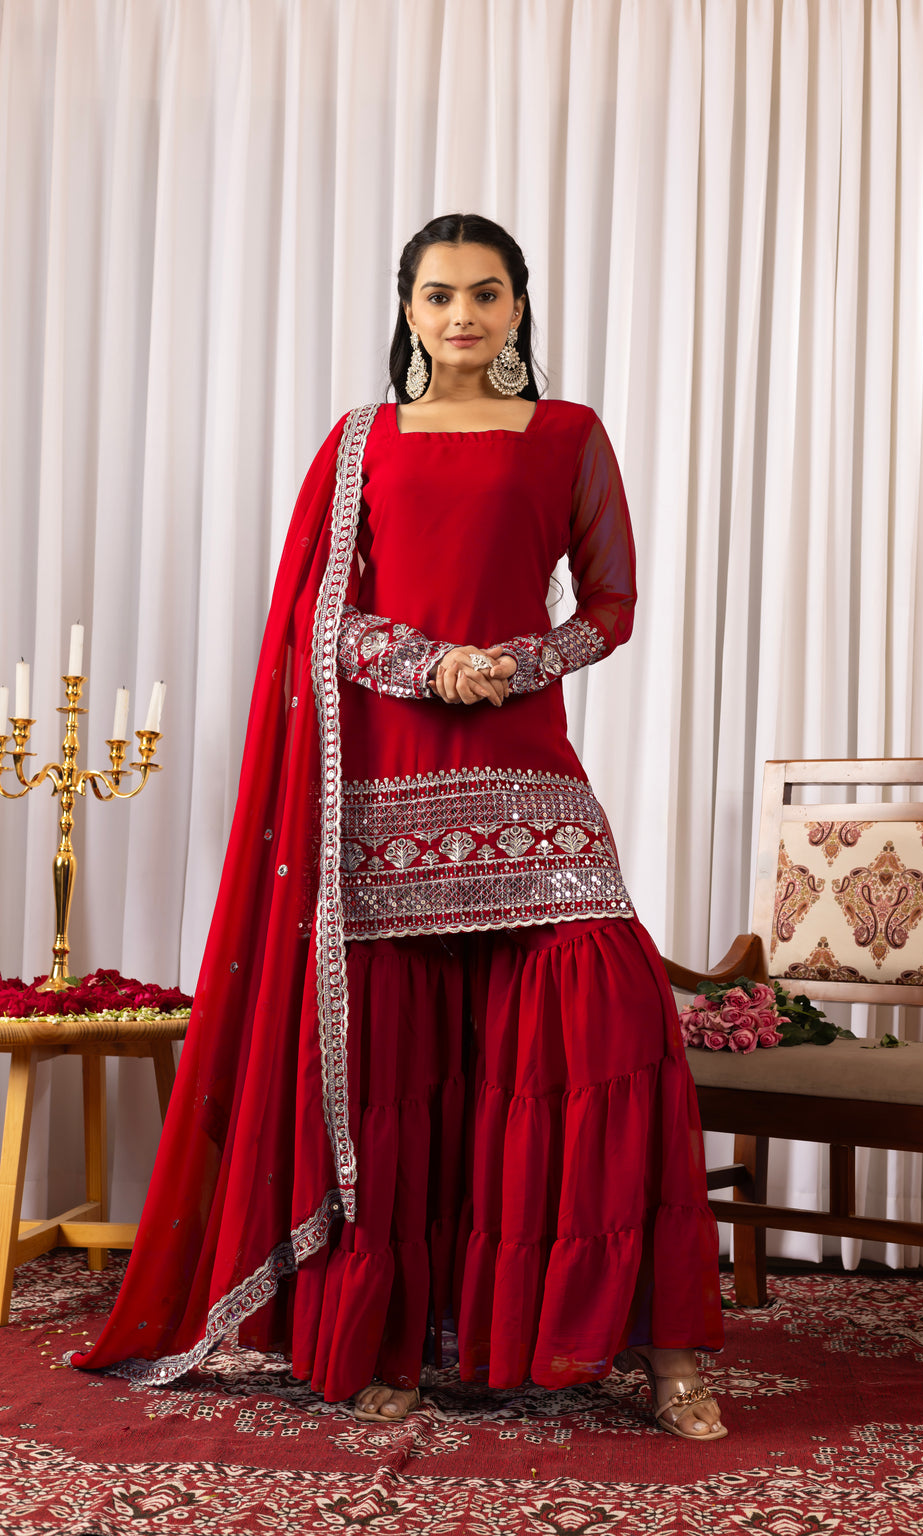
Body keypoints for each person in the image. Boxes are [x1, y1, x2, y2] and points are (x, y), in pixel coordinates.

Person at [73, 214, 727, 1441]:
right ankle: (392, 1339)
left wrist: (519, 660)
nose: (464, 317)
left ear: (521, 307)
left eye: (487, 294)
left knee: (607, 1038)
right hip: (389, 787)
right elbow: (315, 615)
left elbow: (614, 600)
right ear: (409, 310)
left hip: (526, 771)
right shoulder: (360, 443)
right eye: (439, 297)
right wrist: (430, 665)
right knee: (394, 1073)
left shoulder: (570, 436)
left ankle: (662, 1347)